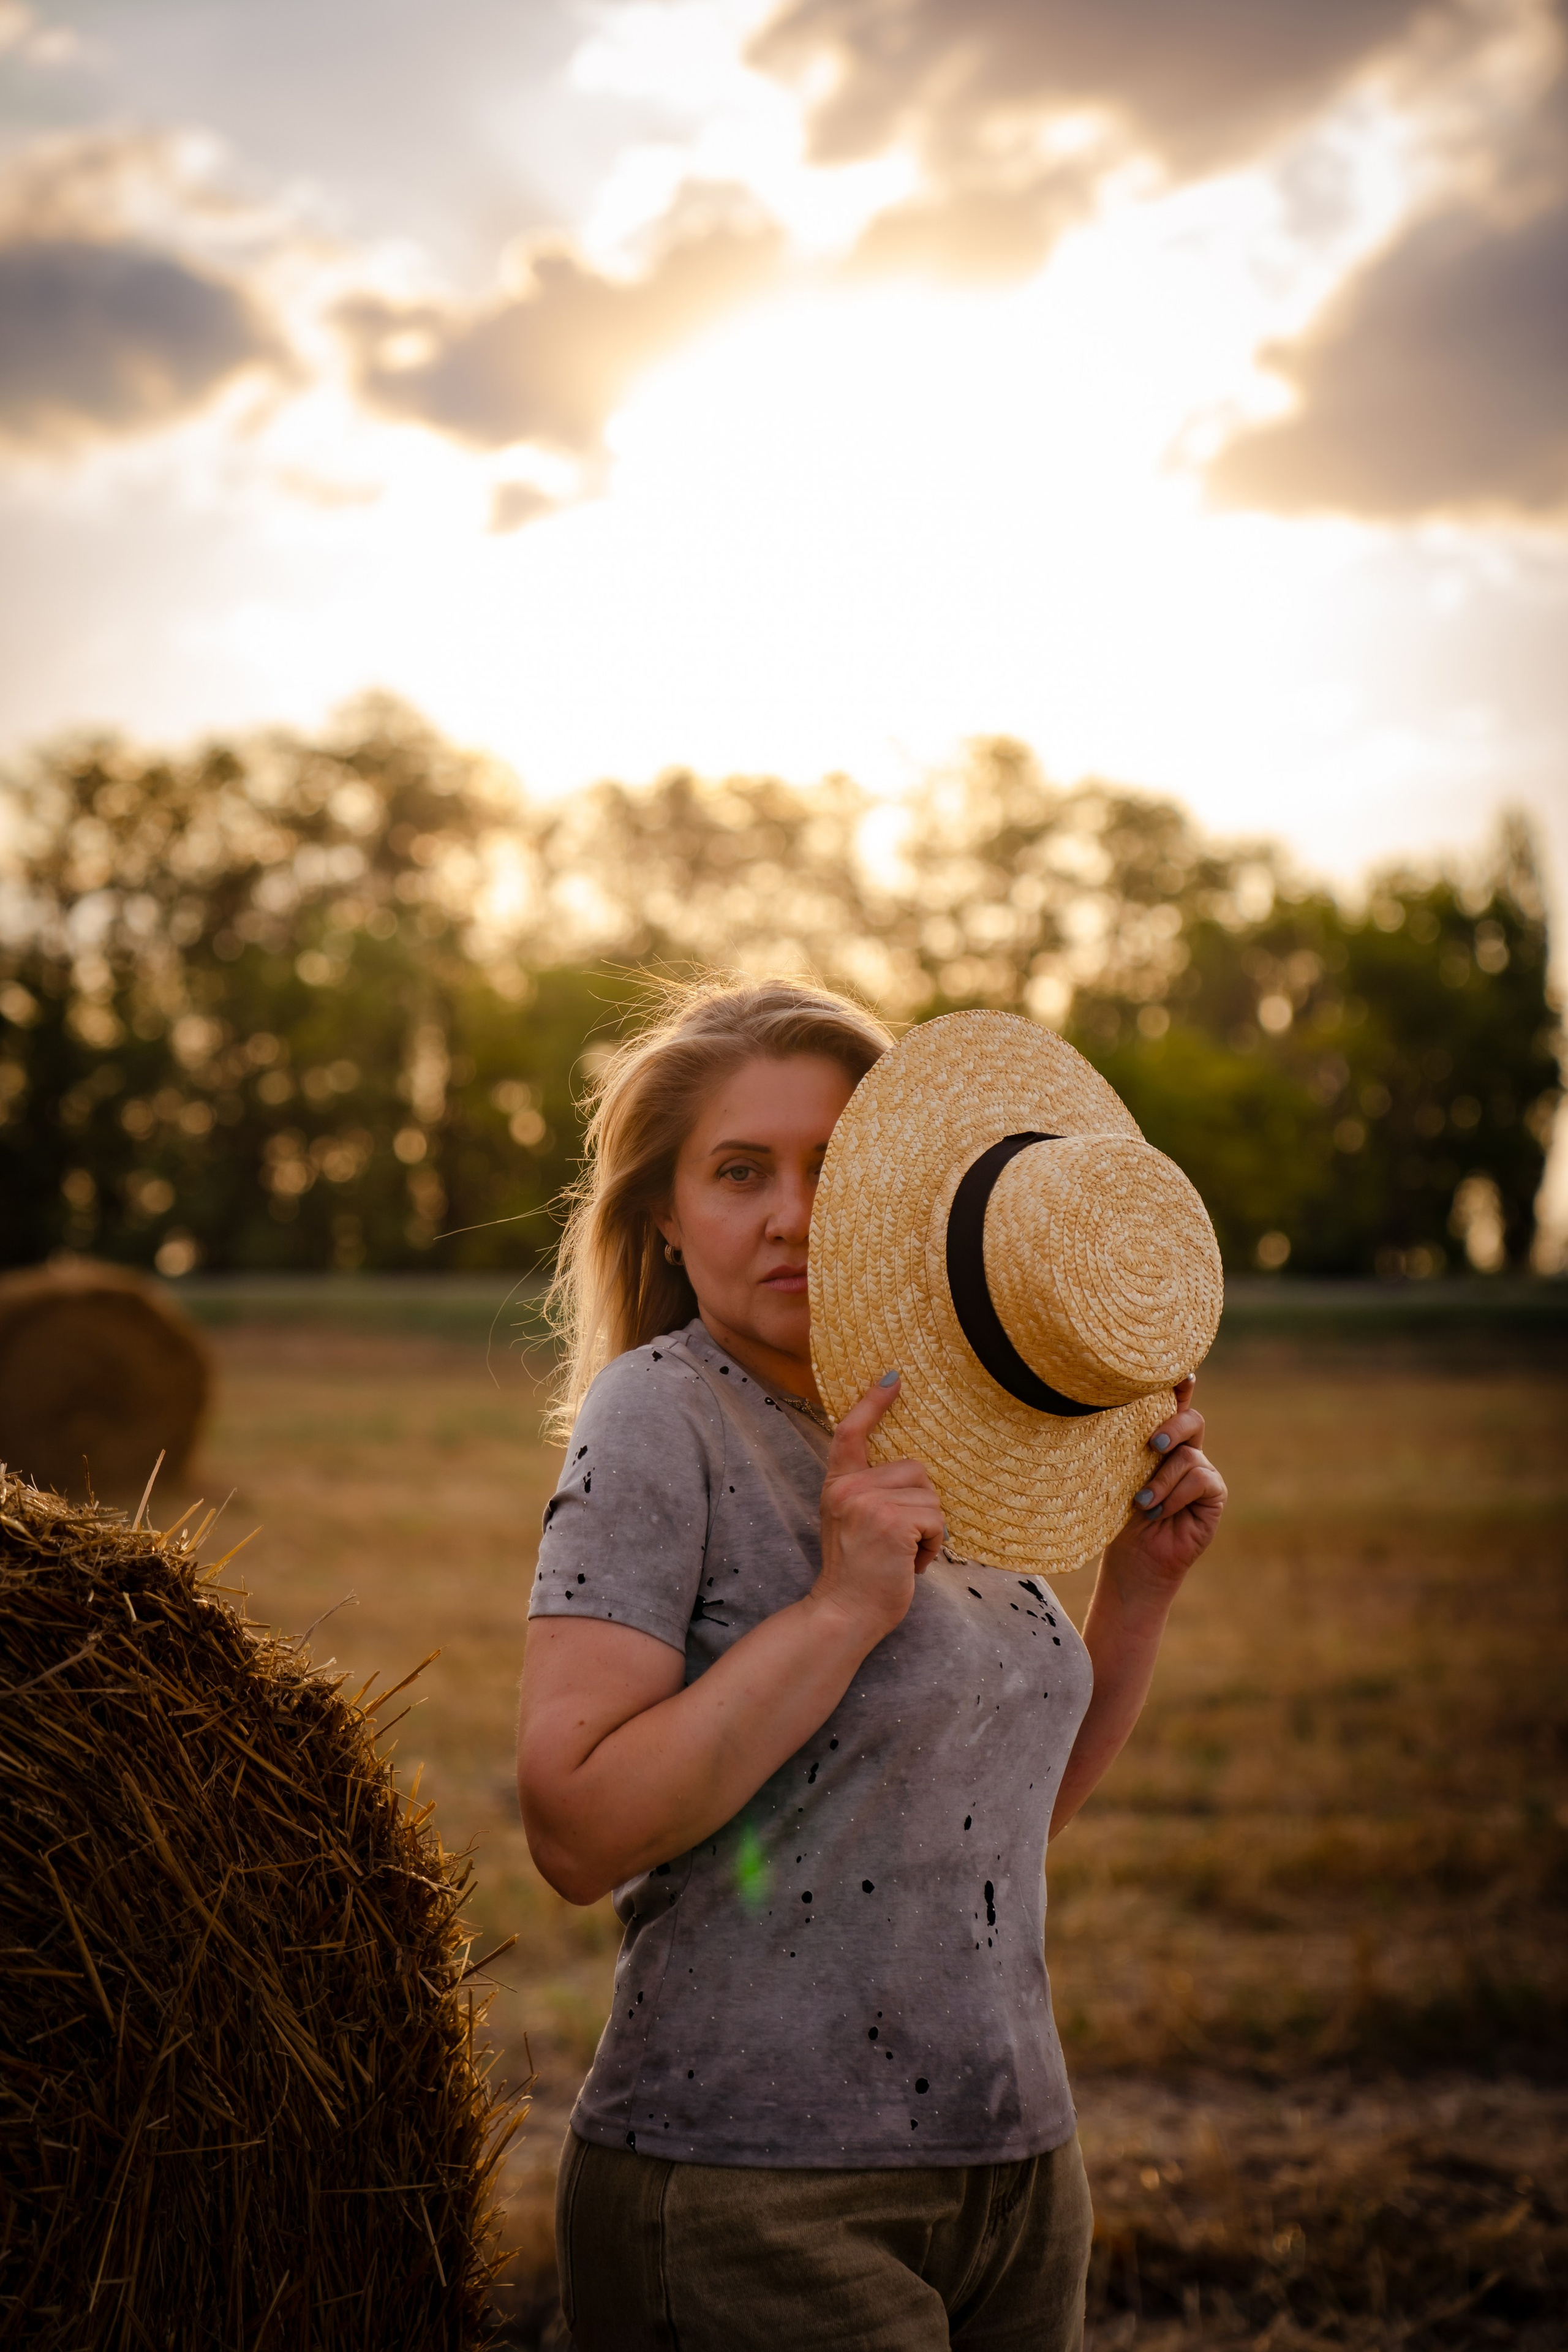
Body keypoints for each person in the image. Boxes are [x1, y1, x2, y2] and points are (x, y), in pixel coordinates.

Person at [516, 978, 1227, 2351]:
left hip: (1018, 2173)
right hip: (753, 2193)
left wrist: (1132, 1602)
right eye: (738, 1172)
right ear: (665, 1214)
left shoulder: (957, 1415)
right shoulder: (664, 1416)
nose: (791, 1213)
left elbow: (981, 1825)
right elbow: (573, 1824)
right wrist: (839, 1608)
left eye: (832, 1165)